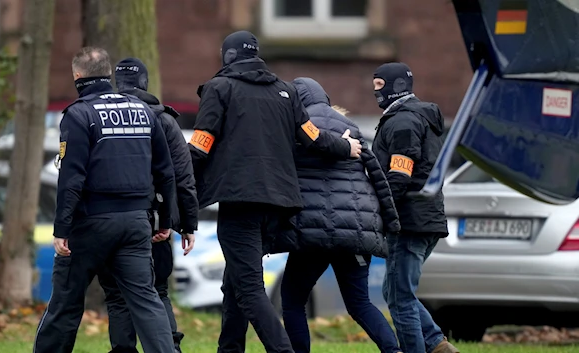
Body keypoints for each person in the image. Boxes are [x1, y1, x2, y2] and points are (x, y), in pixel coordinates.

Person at [189, 31, 362, 353]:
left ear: (227, 56)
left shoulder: (219, 89)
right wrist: (345, 146)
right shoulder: (285, 91)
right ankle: (230, 349)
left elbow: (201, 145)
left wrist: (167, 169)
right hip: (279, 204)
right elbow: (312, 137)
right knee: (235, 283)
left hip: (240, 202)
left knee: (250, 288)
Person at [33, 47, 176, 353]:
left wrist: (62, 228)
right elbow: (164, 171)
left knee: (66, 302)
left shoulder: (79, 114)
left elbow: (71, 178)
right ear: (109, 74)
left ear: (77, 75)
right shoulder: (143, 111)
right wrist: (165, 220)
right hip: (136, 223)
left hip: (90, 224)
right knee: (146, 301)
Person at [279, 77, 403, 353]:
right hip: (354, 231)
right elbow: (379, 180)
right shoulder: (351, 127)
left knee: (292, 300)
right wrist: (391, 224)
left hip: (310, 232)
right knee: (360, 304)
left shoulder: (293, 127)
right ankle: (394, 351)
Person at [93, 57, 199, 353]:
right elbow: (182, 175)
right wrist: (187, 223)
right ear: (144, 82)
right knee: (157, 290)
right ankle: (170, 348)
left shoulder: (100, 116)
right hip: (154, 223)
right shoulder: (163, 119)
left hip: (107, 220)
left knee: (116, 295)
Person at [371, 62, 459, 353]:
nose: (376, 93)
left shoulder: (403, 122)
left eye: (380, 87)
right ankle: (436, 343)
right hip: (427, 216)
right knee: (395, 291)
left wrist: (382, 211)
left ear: (397, 86)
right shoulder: (421, 118)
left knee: (400, 297)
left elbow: (400, 174)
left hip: (409, 220)